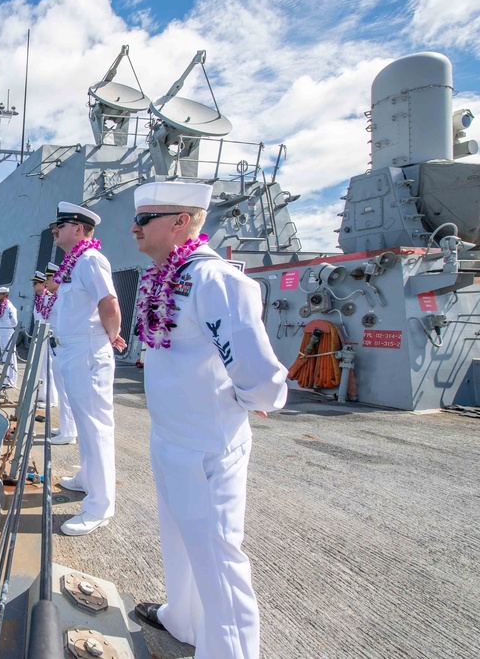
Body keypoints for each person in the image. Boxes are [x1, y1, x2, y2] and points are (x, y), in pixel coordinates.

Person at [129, 181, 288, 659]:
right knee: (177, 537)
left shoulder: (216, 280)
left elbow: (258, 371)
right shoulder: (165, 276)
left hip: (205, 446)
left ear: (181, 221)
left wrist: (258, 398)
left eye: (144, 219)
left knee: (219, 560)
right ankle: (183, 617)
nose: (134, 228)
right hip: (171, 436)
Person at [48, 201, 125, 536]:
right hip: (72, 350)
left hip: (87, 351)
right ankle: (86, 478)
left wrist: (111, 336)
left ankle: (100, 506)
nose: (55, 230)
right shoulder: (75, 262)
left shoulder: (92, 260)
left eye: (60, 225)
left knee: (96, 429)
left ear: (78, 229)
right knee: (83, 421)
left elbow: (108, 301)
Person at [42, 262, 79, 446]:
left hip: (62, 347)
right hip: (56, 347)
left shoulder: (62, 297)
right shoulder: (55, 297)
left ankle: (69, 433)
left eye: (49, 278)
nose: (46, 281)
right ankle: (65, 427)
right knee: (62, 390)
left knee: (66, 392)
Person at [31, 271, 57, 407]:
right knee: (41, 366)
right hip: (40, 335)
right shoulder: (38, 300)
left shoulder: (49, 298)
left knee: (49, 366)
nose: (33, 286)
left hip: (49, 335)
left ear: (43, 284)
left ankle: (51, 398)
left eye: (35, 283)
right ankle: (42, 394)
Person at [0, 287, 18, 387]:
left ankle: (12, 381)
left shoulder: (9, 306)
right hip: (3, 334)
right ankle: (5, 379)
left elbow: (14, 322)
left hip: (8, 335)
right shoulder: (0, 305)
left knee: (10, 358)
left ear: (5, 295)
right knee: (5, 358)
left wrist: (8, 329)